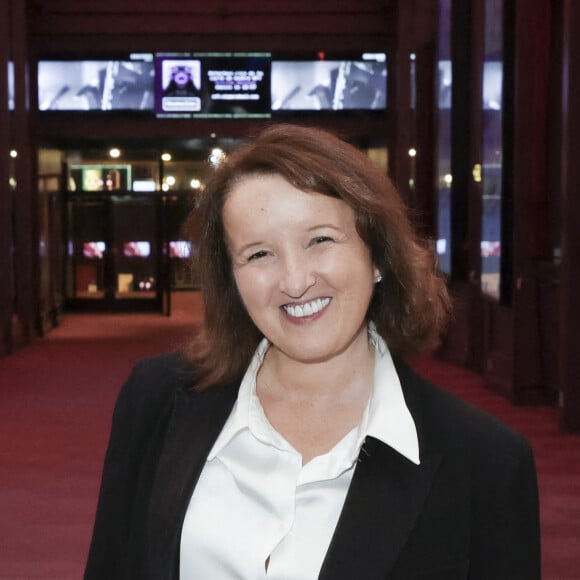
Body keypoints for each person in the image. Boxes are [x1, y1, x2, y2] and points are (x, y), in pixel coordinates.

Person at [84, 124, 541, 579]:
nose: (295, 280)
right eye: (259, 254)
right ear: (232, 280)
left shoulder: (486, 463)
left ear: (378, 256)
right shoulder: (157, 399)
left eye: (320, 240)